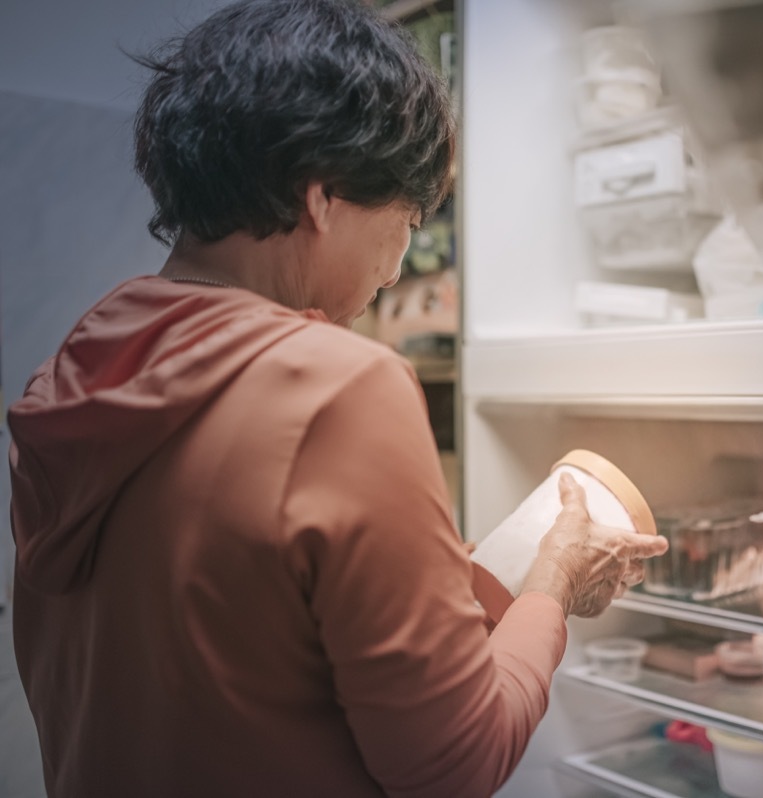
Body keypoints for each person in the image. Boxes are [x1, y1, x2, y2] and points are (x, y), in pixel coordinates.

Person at [5, 2, 668, 796]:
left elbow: (245, 627)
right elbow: (454, 765)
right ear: (324, 196)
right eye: (407, 222)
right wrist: (553, 585)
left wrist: (469, 586)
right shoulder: (341, 385)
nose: (395, 271)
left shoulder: (76, 374)